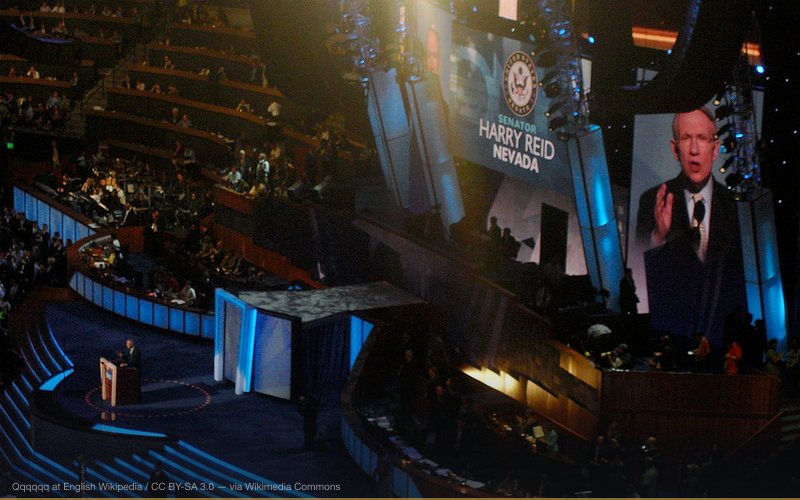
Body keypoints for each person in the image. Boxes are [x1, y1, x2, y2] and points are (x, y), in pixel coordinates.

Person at [635, 107, 745, 345]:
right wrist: (658, 236)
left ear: (715, 148)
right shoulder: (652, 201)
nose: (694, 150)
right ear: (675, 149)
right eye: (686, 138)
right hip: (669, 335)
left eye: (702, 138)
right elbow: (641, 275)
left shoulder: (735, 208)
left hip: (720, 338)